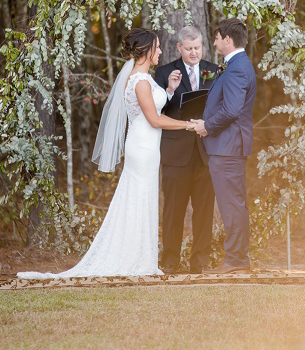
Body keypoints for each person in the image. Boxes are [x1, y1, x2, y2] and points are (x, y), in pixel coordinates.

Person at [18, 29, 194, 278]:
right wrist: (189, 125)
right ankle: (136, 259)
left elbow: (150, 107)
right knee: (139, 200)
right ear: (146, 50)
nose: (161, 51)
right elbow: (153, 119)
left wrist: (168, 91)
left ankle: (141, 257)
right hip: (142, 149)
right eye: (157, 47)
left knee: (142, 200)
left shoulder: (142, 77)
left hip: (147, 148)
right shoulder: (140, 81)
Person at [192, 18, 258, 274]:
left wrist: (207, 126)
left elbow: (232, 110)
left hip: (228, 147)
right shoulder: (236, 65)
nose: (215, 42)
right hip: (226, 146)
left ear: (228, 40)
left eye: (217, 37)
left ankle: (236, 260)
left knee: (232, 204)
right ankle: (236, 258)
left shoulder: (238, 68)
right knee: (232, 203)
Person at [153, 26, 220, 274]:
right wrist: (170, 91)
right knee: (173, 211)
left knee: (204, 211)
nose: (194, 53)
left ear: (203, 46)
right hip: (175, 154)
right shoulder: (163, 72)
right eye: (189, 48)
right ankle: (170, 262)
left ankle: (200, 263)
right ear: (179, 47)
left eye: (198, 48)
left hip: (205, 154)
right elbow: (155, 111)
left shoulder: (214, 71)